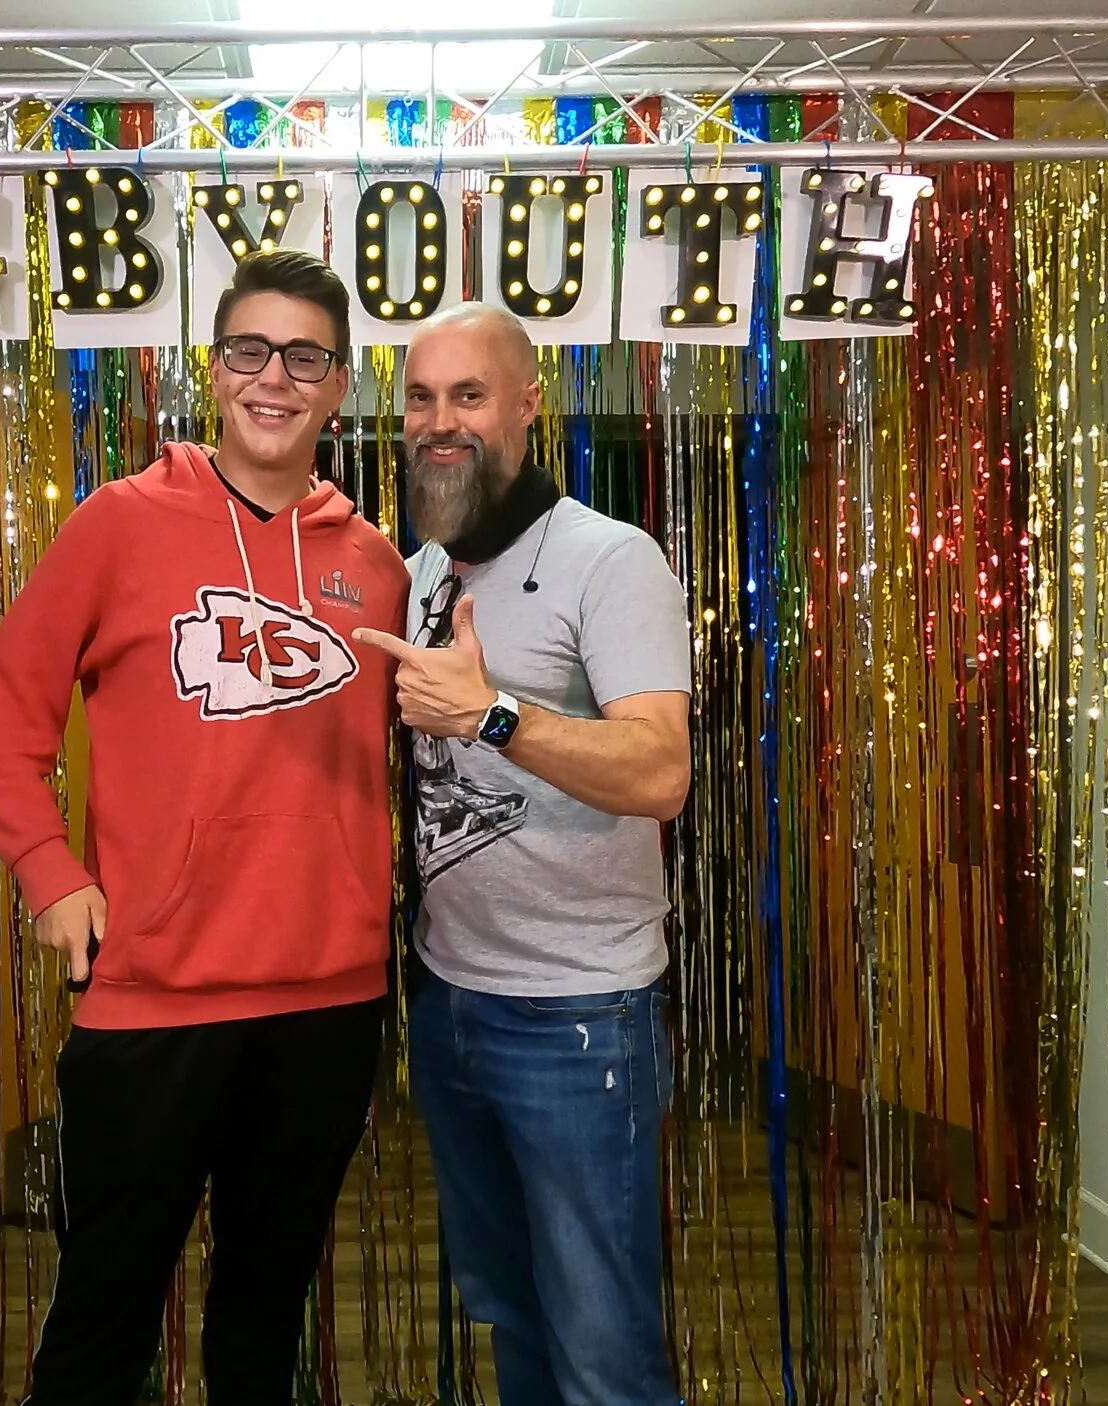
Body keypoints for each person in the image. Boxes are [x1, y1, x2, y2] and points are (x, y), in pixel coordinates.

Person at [0, 248, 410, 1406]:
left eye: (304, 356)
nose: (274, 377)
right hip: (153, 998)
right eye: (250, 349)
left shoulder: (375, 564)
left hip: (327, 1005)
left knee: (262, 1329)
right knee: (100, 1329)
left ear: (339, 384)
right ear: (213, 368)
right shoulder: (120, 524)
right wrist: (50, 871)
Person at [350, 302, 693, 1406]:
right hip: (452, 999)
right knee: (511, 1312)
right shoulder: (419, 573)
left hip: (579, 1015)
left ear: (529, 405)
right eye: (419, 397)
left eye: (470, 394)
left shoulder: (611, 559)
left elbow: (661, 772)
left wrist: (492, 713)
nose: (439, 421)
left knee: (604, 1351)